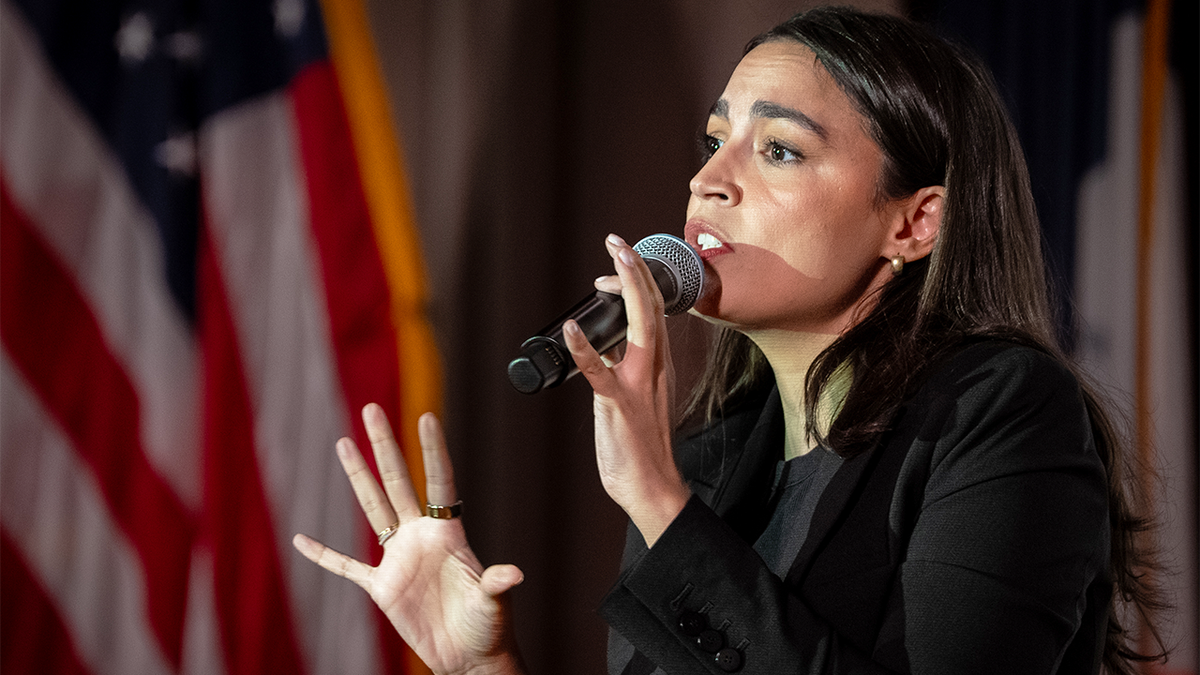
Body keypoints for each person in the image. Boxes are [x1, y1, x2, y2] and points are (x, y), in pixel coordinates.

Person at [292, 6, 1168, 674]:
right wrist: (486, 665)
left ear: (915, 223)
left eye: (779, 150)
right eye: (717, 141)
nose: (708, 180)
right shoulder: (710, 461)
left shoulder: (1003, 411)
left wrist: (665, 512)